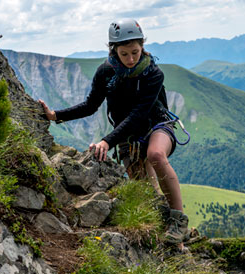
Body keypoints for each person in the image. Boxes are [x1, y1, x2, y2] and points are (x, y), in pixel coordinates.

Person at [39, 18, 188, 244]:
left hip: (157, 126)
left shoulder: (153, 74)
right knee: (145, 191)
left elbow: (139, 113)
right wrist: (55, 116)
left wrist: (107, 141)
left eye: (135, 52)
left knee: (155, 155)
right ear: (114, 50)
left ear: (143, 48)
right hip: (127, 136)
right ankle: (164, 227)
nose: (130, 59)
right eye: (124, 53)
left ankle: (179, 222)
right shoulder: (105, 72)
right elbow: (91, 105)